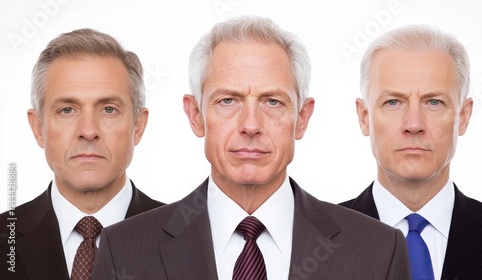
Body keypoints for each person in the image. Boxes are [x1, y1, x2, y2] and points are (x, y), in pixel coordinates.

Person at [92, 16, 410, 280]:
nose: (251, 125)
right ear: (195, 115)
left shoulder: (380, 250)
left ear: (302, 117)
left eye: (273, 102)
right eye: (228, 100)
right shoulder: (124, 248)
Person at [0, 29, 164, 280]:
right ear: (38, 128)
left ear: (138, 126)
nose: (88, 131)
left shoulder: (194, 239)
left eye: (109, 109)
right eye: (67, 110)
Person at [340, 25, 482, 279]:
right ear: (364, 117)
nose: (414, 124)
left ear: (463, 116)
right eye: (393, 102)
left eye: (434, 102)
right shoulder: (309, 241)